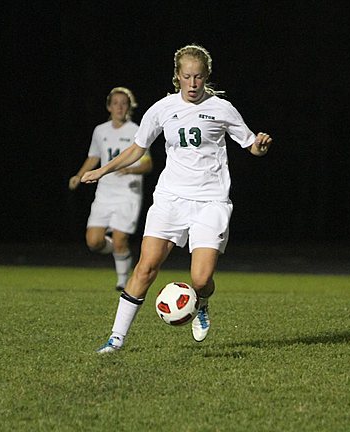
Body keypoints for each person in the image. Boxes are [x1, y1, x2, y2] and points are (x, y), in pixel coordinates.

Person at [81, 45, 273, 353]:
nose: (193, 84)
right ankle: (115, 339)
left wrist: (260, 147)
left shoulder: (222, 108)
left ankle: (203, 303)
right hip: (171, 198)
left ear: (206, 76)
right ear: (177, 77)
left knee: (201, 279)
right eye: (187, 77)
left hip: (210, 201)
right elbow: (136, 149)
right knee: (145, 268)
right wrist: (103, 170)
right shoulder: (162, 109)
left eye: (199, 77)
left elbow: (250, 143)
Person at [69, 87, 153, 291]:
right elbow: (94, 157)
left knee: (120, 238)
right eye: (115, 103)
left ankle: (122, 280)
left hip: (128, 193)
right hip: (105, 193)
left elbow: (148, 164)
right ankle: (120, 253)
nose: (119, 107)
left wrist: (130, 169)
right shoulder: (100, 131)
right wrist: (79, 176)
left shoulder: (136, 130)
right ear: (109, 106)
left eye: (123, 103)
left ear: (129, 107)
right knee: (93, 241)